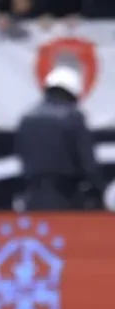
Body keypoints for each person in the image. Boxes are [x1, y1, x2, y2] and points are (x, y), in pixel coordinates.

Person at [15, 66, 108, 210]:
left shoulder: (27, 118)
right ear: (71, 93)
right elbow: (87, 161)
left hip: (32, 196)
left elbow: (21, 153)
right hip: (66, 197)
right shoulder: (72, 117)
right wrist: (99, 192)